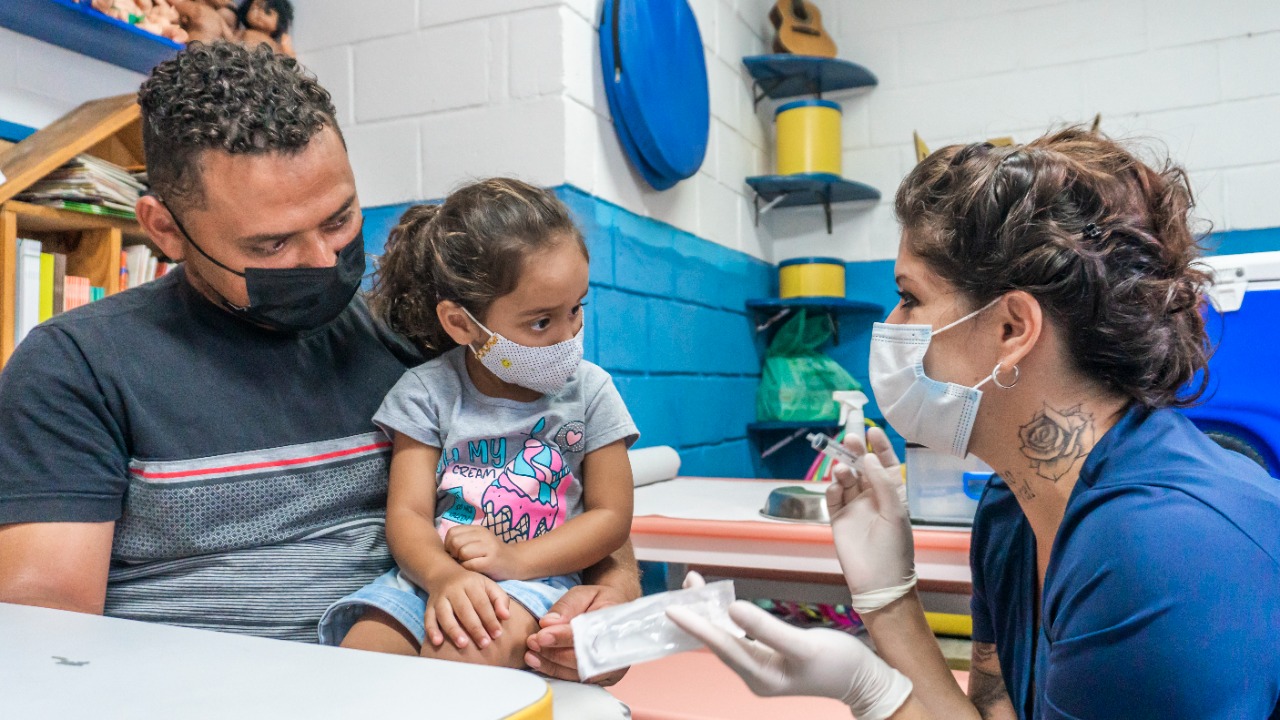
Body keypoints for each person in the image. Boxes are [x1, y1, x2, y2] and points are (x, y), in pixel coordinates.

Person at [0, 42, 636, 717]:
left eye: (339, 219)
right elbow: (45, 651)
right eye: (271, 245)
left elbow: (576, 504)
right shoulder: (75, 368)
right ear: (166, 230)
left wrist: (609, 607)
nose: (323, 260)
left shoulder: (419, 342)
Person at [670, 128, 1280, 719]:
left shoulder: (1157, 553)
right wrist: (889, 599)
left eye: (910, 296)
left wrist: (873, 693)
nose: (893, 320)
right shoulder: (1012, 509)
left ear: (1012, 329)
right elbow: (993, 712)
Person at [318, 178, 638, 669]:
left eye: (576, 308)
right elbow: (407, 514)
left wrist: (516, 561)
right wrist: (443, 577)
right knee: (360, 658)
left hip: (537, 580)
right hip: (431, 577)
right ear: (462, 324)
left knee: (467, 649)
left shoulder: (591, 393)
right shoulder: (426, 393)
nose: (568, 333)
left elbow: (612, 517)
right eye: (540, 322)